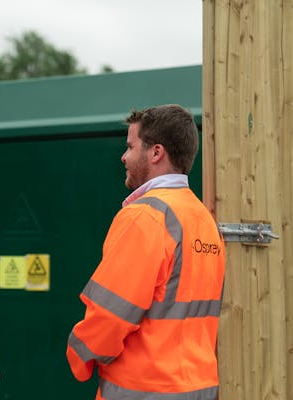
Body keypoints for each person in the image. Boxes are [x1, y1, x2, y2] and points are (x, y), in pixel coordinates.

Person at [66, 104, 225, 400]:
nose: (124, 157)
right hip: (198, 388)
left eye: (130, 146)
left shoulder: (145, 217)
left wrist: (79, 353)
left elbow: (111, 316)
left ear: (155, 153)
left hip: (143, 390)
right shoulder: (204, 219)